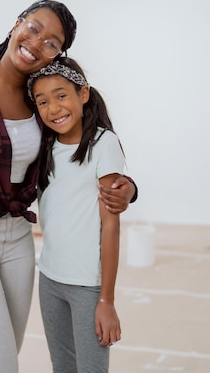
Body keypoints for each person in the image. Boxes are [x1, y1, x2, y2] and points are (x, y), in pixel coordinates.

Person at [0, 0, 136, 373]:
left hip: (19, 238)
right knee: (0, 364)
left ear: (59, 55)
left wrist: (127, 186)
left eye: (53, 42)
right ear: (17, 24)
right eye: (34, 28)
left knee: (8, 351)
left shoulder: (39, 99)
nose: (38, 43)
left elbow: (74, 160)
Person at [28, 56, 124, 373]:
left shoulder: (103, 143)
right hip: (50, 280)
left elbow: (111, 227)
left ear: (82, 94)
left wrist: (106, 300)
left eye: (61, 95)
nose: (53, 108)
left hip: (87, 285)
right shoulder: (44, 149)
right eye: (42, 101)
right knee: (63, 367)